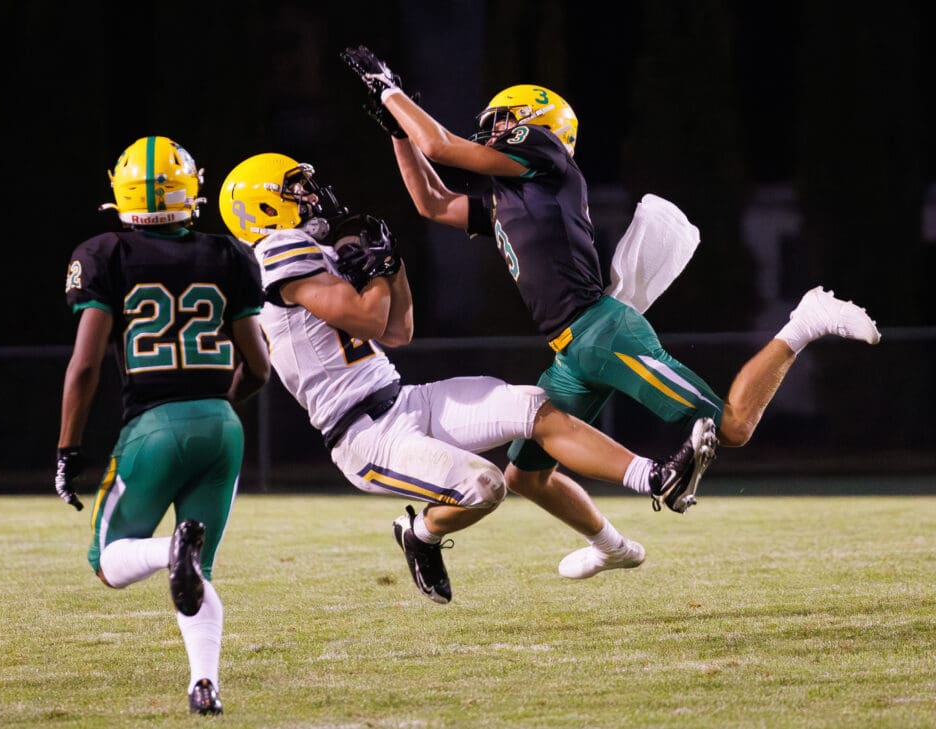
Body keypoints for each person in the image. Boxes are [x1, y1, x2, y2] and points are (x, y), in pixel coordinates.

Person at [340, 45, 882, 579]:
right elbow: (432, 203)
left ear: (535, 120)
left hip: (601, 333)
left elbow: (439, 144)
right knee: (526, 476)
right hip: (571, 352)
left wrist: (392, 94)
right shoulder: (517, 194)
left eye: (501, 120)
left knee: (733, 428)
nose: (491, 130)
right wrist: (395, 127)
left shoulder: (542, 150)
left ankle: (805, 320)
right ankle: (612, 546)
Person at [217, 151, 718, 605]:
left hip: (402, 399)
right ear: (264, 208)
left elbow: (397, 331)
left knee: (533, 406)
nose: (309, 194)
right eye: (294, 189)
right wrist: (374, 270)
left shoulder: (313, 252)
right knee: (485, 485)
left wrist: (391, 267)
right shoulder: (275, 250)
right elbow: (366, 320)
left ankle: (656, 478)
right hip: (364, 435)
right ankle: (421, 535)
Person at [54, 135, 270, 716]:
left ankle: (165, 551)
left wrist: (67, 448)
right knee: (196, 573)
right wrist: (216, 409)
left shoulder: (104, 253)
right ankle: (205, 685)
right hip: (222, 426)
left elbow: (86, 365)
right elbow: (259, 367)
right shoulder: (229, 255)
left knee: (108, 562)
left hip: (151, 425)